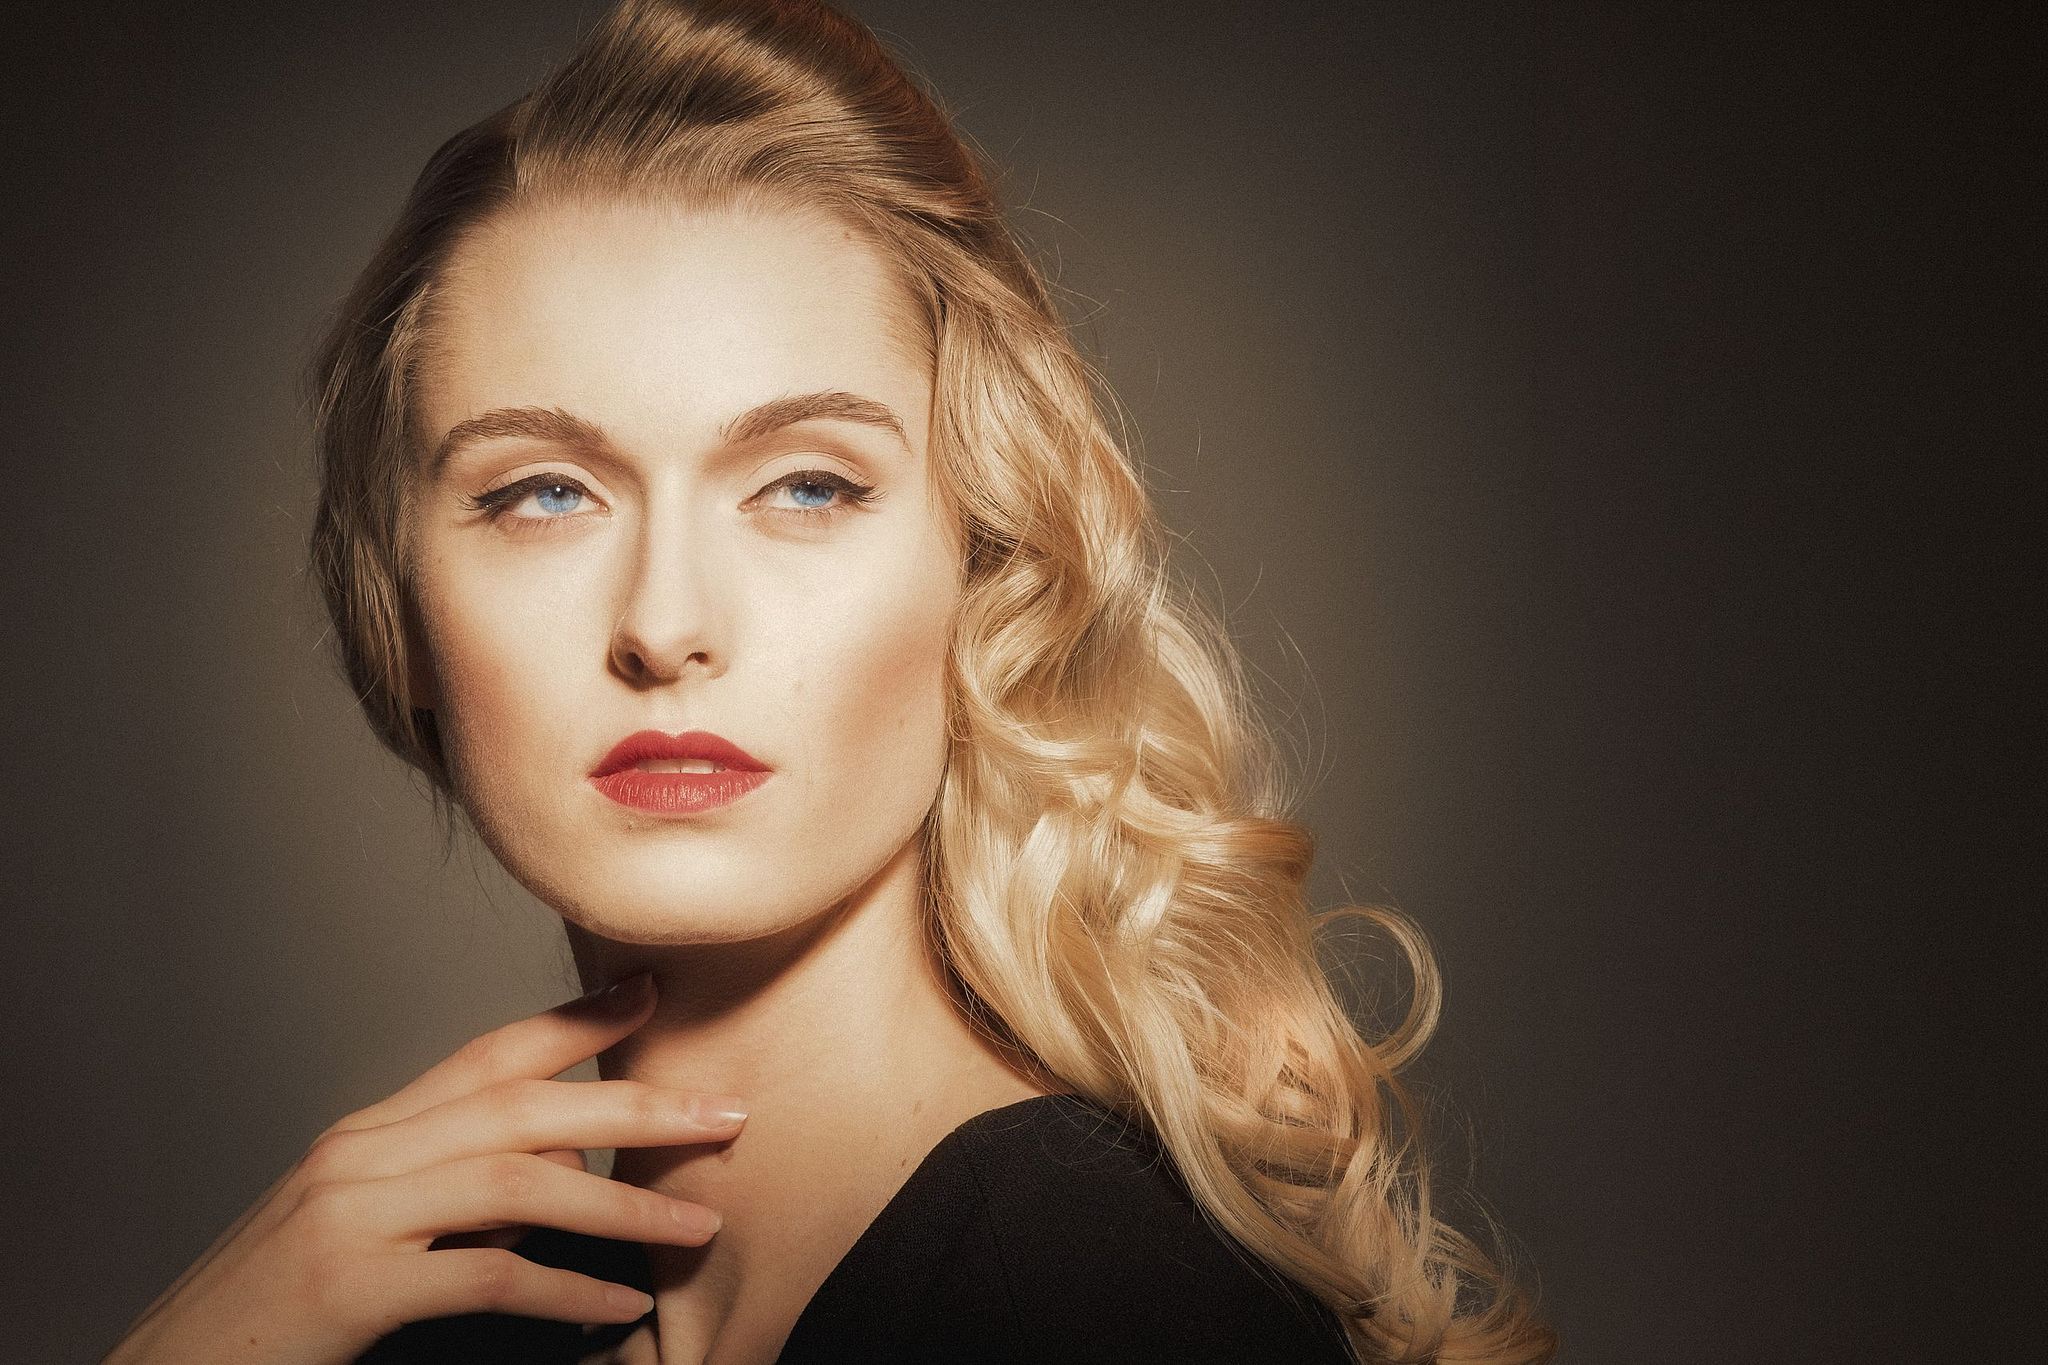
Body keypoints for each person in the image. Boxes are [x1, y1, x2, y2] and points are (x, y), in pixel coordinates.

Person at [103, 2, 1555, 1361]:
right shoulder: (438, 1315)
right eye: (545, 492)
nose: (664, 624)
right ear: (404, 612)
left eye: (806, 486)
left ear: (984, 568)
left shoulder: (1096, 1294)